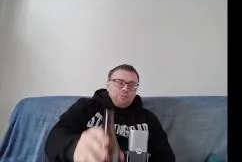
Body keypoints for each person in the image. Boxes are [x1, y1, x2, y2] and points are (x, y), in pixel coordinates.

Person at [44, 64, 175, 162]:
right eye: (119, 82)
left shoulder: (148, 118)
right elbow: (55, 138)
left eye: (132, 85)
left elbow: (166, 156)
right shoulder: (86, 107)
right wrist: (75, 148)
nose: (125, 88)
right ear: (108, 85)